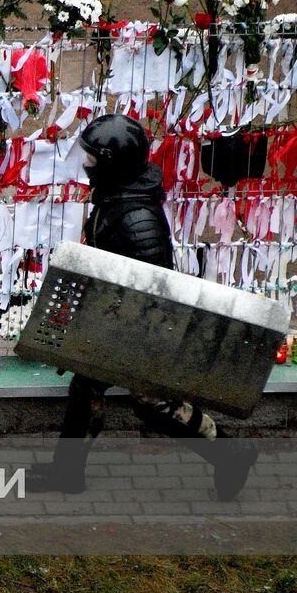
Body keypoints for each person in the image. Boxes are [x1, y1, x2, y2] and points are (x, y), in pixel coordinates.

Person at [26, 114, 258, 500]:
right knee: (86, 386)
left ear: (113, 164)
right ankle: (67, 473)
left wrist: (135, 339)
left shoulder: (136, 217)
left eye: (94, 159)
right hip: (122, 321)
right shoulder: (119, 196)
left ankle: (231, 452)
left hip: (142, 327)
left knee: (152, 405)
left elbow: (156, 287)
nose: (87, 165)